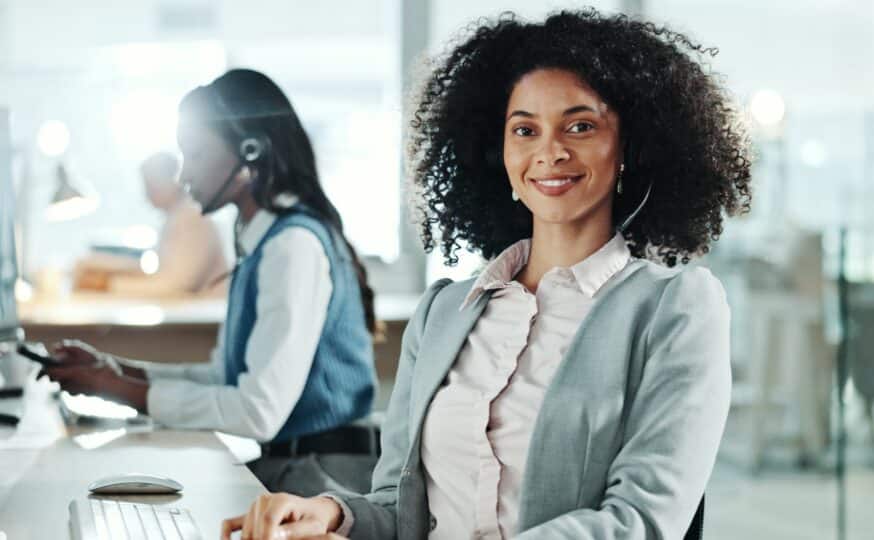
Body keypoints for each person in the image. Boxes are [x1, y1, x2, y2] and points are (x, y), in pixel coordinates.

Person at [224, 9, 751, 540]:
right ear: (499, 152)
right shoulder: (442, 314)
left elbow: (640, 523)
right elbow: (398, 507)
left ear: (630, 150)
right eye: (525, 129)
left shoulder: (676, 308)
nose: (550, 151)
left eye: (581, 126)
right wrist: (335, 514)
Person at [41, 69, 381, 496]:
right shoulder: (261, 244)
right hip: (294, 470)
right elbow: (225, 376)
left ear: (251, 153)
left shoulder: (292, 246)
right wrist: (115, 370)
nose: (184, 175)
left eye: (196, 155)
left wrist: (124, 392)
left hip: (321, 483)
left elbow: (258, 412)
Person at [106, 151, 229, 296]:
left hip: (203, 313)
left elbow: (177, 284)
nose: (147, 194)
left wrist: (108, 285)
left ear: (171, 180)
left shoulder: (192, 217)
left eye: (150, 185)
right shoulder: (177, 216)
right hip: (191, 311)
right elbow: (165, 275)